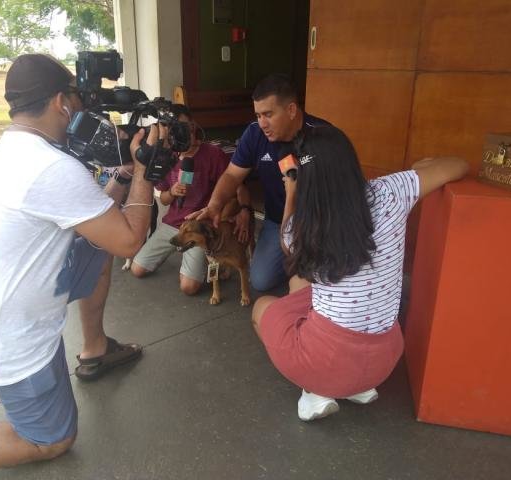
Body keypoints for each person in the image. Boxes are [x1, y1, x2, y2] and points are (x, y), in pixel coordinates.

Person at [0, 53, 166, 469]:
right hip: (10, 337)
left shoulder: (17, 149)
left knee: (99, 244)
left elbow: (93, 219)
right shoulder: (51, 167)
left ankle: (94, 347)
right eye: (77, 104)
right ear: (61, 103)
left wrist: (120, 173)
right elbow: (131, 241)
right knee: (51, 439)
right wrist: (143, 171)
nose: (80, 113)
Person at [251, 125, 469, 422]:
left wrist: (291, 192)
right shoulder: (393, 190)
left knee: (263, 308)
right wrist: (419, 169)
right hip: (384, 359)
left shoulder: (301, 227)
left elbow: (287, 245)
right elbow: (458, 165)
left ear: (307, 178)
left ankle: (314, 390)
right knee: (299, 282)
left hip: (327, 363)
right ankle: (357, 387)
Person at [194, 73, 330, 292]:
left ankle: (304, 262)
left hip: (316, 223)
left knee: (315, 283)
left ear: (291, 110)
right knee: (260, 280)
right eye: (258, 115)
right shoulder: (254, 134)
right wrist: (215, 205)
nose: (262, 123)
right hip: (276, 222)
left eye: (268, 114)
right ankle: (294, 260)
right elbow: (232, 175)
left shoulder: (323, 136)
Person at [130, 104, 231, 295]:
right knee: (137, 269)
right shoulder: (167, 156)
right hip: (173, 222)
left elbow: (230, 189)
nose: (186, 132)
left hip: (199, 225)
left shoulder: (213, 154)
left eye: (188, 126)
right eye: (178, 128)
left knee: (188, 287)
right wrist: (173, 192)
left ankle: (202, 265)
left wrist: (236, 212)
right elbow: (165, 200)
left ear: (194, 125)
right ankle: (189, 261)